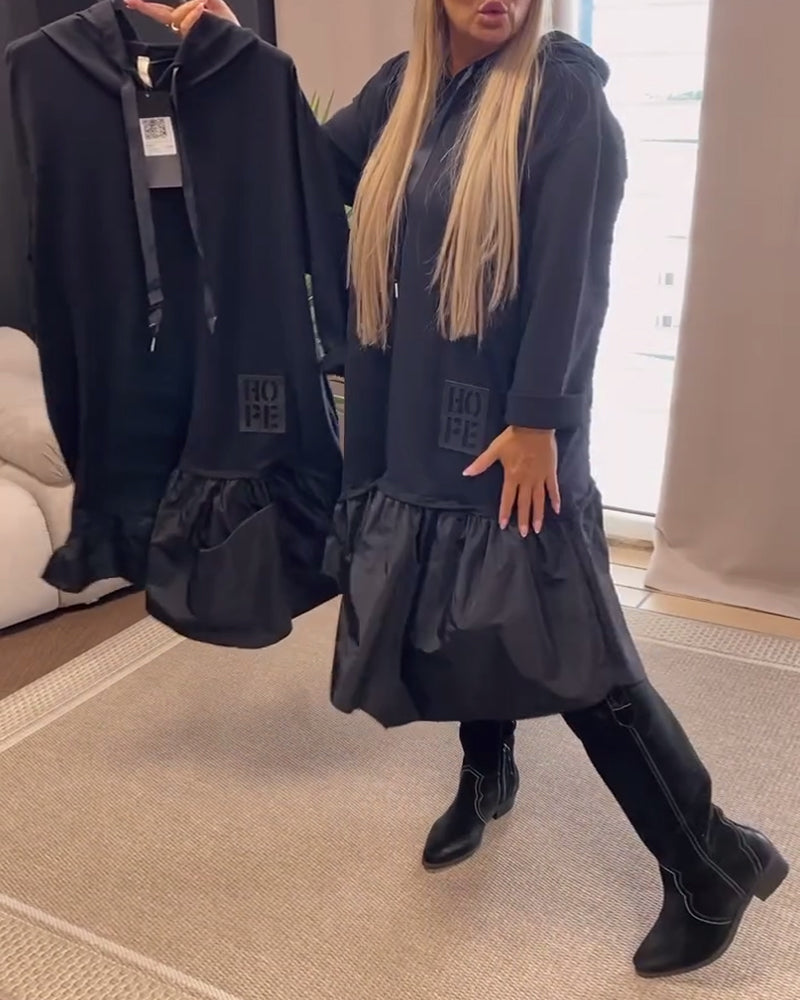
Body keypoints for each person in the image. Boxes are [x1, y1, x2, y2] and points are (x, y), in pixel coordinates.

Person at [128, 0, 788, 979]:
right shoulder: (402, 93)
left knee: (566, 644)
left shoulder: (560, 97)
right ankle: (488, 774)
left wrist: (539, 420)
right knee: (459, 604)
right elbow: (303, 175)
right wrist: (237, 57)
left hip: (510, 424)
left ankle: (708, 858)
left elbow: (573, 271)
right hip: (413, 404)